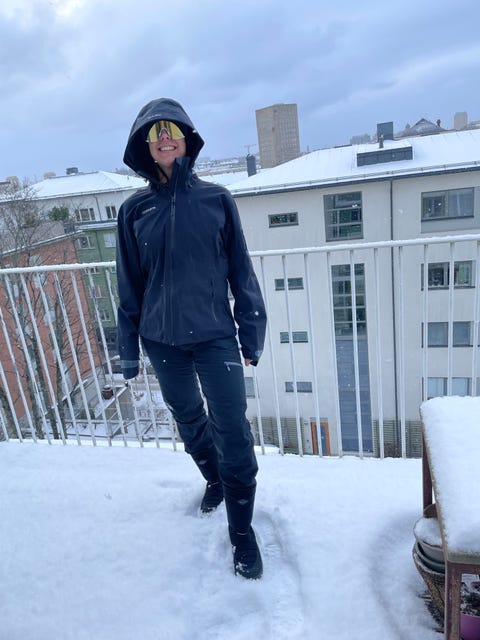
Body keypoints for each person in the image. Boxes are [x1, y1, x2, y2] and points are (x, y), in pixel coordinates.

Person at [116, 98, 267, 580]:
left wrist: (251, 331)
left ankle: (241, 532)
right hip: (162, 341)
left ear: (187, 139)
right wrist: (128, 350)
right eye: (154, 132)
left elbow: (241, 271)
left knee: (232, 428)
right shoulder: (133, 210)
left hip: (216, 336)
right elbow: (128, 285)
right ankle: (214, 479)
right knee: (187, 416)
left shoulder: (217, 200)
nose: (164, 138)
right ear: (144, 145)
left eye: (172, 129)